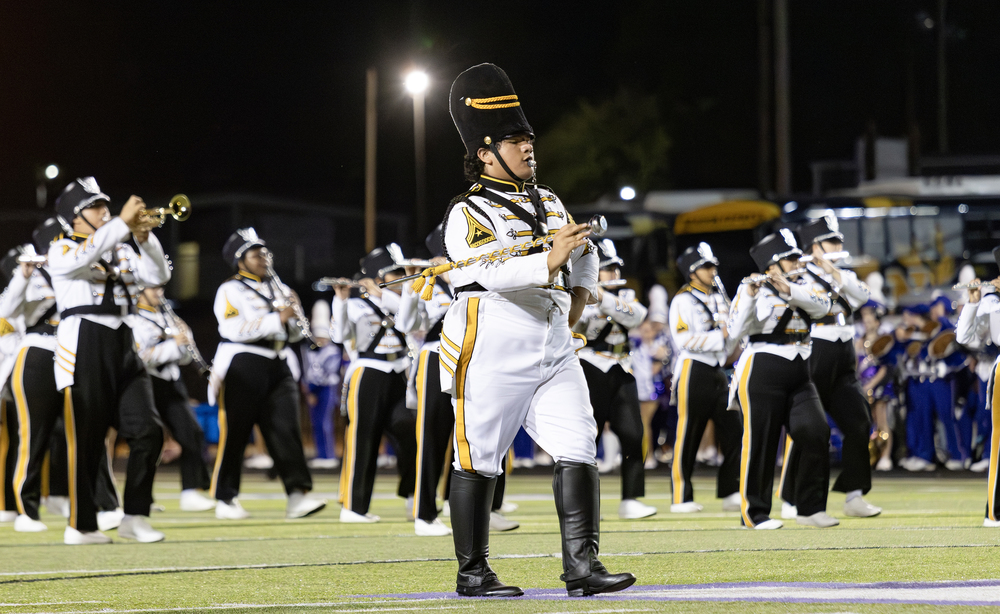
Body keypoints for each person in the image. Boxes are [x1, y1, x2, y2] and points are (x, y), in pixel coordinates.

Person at [438, 63, 634, 597]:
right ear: (483, 152)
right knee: (478, 456)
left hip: (552, 340)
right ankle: (473, 573)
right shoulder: (466, 211)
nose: (527, 148)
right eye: (513, 140)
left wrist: (578, 298)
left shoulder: (548, 199)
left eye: (527, 138)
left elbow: (583, 254)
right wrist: (552, 257)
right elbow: (490, 272)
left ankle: (582, 568)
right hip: (493, 340)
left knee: (579, 444)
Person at [47, 177, 169, 544]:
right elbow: (82, 259)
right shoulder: (61, 248)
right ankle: (81, 525)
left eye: (105, 205)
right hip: (84, 340)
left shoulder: (121, 247)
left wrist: (145, 238)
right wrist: (119, 225)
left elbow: (158, 276)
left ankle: (134, 515)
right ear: (75, 216)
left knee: (148, 430)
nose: (105, 211)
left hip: (123, 339)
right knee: (87, 438)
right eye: (95, 207)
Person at [208, 228, 326, 520]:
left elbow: (296, 335)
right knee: (236, 432)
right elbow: (232, 330)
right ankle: (226, 498)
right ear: (240, 260)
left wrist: (296, 317)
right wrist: (278, 317)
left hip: (280, 360)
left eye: (266, 253)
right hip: (243, 362)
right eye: (256, 254)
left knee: (287, 430)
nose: (264, 258)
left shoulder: (281, 288)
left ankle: (298, 495)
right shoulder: (230, 289)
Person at [727, 230, 836, 529]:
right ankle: (755, 513)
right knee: (760, 442)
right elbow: (735, 330)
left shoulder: (804, 287)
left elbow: (823, 307)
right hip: (762, 367)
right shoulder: (752, 289)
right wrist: (749, 296)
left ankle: (810, 507)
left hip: (800, 369)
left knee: (815, 431)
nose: (796, 263)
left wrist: (788, 288)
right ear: (771, 265)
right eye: (789, 259)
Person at [778, 216, 881, 519]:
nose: (839, 245)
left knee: (859, 420)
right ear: (815, 246)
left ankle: (854, 494)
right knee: (807, 426)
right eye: (831, 241)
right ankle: (791, 497)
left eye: (838, 240)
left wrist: (833, 270)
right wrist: (819, 270)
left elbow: (863, 296)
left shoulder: (842, 274)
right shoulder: (799, 276)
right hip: (815, 350)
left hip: (844, 353)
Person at [330, 244, 417, 523]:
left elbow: (412, 320)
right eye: (396, 273)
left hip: (401, 372)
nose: (402, 277)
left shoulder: (403, 301)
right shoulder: (355, 304)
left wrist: (384, 295)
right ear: (378, 277)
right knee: (363, 440)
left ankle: (413, 499)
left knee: (411, 434)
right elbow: (339, 334)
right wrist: (341, 301)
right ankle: (353, 507)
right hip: (368, 371)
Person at [572, 238, 656, 520]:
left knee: (634, 434)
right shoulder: (579, 293)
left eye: (616, 269)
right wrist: (588, 298)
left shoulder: (624, 295)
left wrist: (604, 299)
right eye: (608, 269)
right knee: (588, 438)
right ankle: (585, 504)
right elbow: (574, 324)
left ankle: (631, 498)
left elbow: (638, 316)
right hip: (590, 365)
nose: (615, 275)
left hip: (622, 367)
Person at [668, 243, 743, 514]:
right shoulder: (682, 300)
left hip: (718, 370)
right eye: (707, 266)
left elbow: (730, 335)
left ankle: (731, 490)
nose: (713, 271)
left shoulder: (719, 298)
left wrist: (735, 329)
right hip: (693, 369)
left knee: (733, 430)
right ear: (692, 271)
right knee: (689, 433)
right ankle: (681, 496)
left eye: (713, 266)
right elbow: (682, 340)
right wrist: (719, 336)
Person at [127, 285, 215, 512]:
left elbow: (185, 358)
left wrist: (186, 341)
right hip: (144, 382)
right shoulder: (133, 318)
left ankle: (191, 492)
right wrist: (172, 344)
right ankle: (143, 497)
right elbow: (139, 358)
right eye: (153, 287)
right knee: (149, 439)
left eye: (161, 287)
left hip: (171, 381)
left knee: (191, 432)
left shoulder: (168, 316)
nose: (159, 292)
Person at [954, 258, 1000, 526]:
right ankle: (994, 512)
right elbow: (964, 337)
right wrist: (973, 302)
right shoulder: (992, 302)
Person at [301, 300, 343, 470]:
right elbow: (305, 371)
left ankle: (329, 455)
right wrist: (307, 392)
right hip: (312, 388)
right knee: (315, 422)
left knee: (325, 422)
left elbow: (328, 372)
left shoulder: (332, 350)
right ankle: (321, 454)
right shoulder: (307, 349)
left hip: (326, 387)